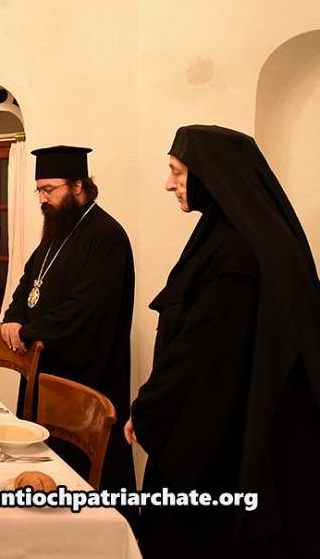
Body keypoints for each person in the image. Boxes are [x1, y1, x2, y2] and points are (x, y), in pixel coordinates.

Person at [126, 125, 320, 559]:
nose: (169, 184)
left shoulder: (237, 254)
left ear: (210, 174)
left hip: (216, 452)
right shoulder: (234, 235)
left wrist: (148, 409)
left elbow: (200, 359)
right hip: (218, 431)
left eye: (177, 172)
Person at [0, 145, 137, 503]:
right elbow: (28, 283)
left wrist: (28, 331)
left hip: (84, 373)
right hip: (43, 366)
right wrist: (13, 318)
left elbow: (85, 310)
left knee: (77, 478)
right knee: (39, 471)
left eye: (50, 189)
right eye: (39, 190)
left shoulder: (106, 236)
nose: (42, 199)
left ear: (78, 187)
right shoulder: (58, 228)